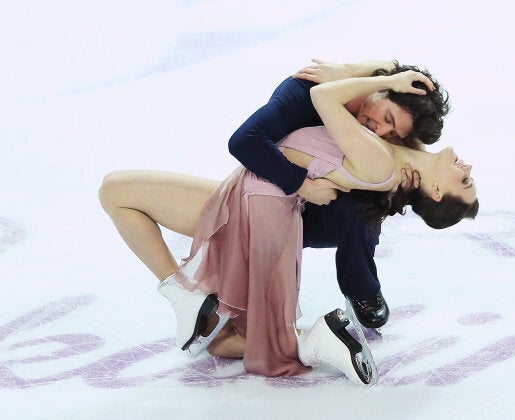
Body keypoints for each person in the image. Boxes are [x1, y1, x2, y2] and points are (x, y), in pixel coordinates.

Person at [99, 70, 478, 386]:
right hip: (261, 195)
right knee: (224, 341)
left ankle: (193, 298)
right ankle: (312, 341)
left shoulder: (380, 159)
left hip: (258, 200)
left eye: (464, 183)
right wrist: (388, 77)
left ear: (438, 191)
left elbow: (323, 97)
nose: (469, 170)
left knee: (116, 190)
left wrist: (382, 71)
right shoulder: (400, 147)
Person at [229, 59, 451, 331]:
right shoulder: (302, 93)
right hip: (269, 200)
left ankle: (361, 288)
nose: (380, 131)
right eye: (388, 119)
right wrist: (303, 185)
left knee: (371, 203)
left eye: (393, 133)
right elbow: (243, 141)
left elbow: (394, 70)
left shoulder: (381, 108)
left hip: (317, 204)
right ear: (381, 88)